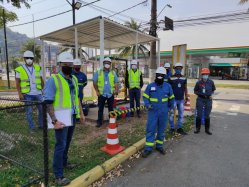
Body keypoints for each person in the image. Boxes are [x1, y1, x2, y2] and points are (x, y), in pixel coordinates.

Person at [44, 52, 85, 186]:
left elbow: (77, 97)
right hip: (60, 119)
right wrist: (54, 121)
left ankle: (64, 162)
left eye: (70, 64)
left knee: (67, 142)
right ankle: (58, 175)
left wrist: (81, 114)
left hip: (71, 116)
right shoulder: (53, 80)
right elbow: (48, 102)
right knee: (60, 145)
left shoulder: (73, 79)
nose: (68, 66)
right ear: (60, 65)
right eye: (65, 64)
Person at [142, 67, 175, 158]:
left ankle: (159, 146)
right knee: (150, 129)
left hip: (164, 112)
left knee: (161, 130)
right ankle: (148, 148)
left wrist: (172, 108)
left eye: (161, 75)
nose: (160, 77)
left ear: (164, 76)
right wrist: (147, 104)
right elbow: (145, 97)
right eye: (158, 75)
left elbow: (171, 98)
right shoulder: (150, 86)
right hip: (153, 111)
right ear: (156, 75)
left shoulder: (168, 86)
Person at [15, 50, 44, 132]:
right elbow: (17, 82)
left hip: (38, 93)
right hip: (27, 94)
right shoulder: (20, 69)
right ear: (24, 59)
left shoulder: (38, 68)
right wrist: (19, 94)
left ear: (33, 59)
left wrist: (43, 90)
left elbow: (41, 80)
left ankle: (41, 125)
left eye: (31, 58)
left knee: (42, 110)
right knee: (29, 112)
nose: (29, 59)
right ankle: (32, 128)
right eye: (27, 58)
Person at [93, 57, 119, 128]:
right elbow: (94, 82)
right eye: (105, 63)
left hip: (110, 94)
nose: (107, 64)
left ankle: (112, 122)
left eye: (108, 63)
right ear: (103, 63)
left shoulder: (113, 73)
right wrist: (97, 91)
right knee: (100, 109)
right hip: (101, 94)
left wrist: (116, 90)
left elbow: (116, 82)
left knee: (111, 109)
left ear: (110, 64)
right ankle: (99, 122)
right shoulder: (98, 72)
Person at [194, 68, 216, 135]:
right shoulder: (198, 83)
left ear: (208, 75)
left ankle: (207, 129)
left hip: (208, 99)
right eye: (204, 74)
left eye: (206, 74)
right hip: (200, 99)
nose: (205, 75)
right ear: (202, 75)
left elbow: (213, 90)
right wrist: (201, 94)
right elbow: (195, 91)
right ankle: (198, 129)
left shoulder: (211, 82)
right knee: (199, 115)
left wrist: (210, 94)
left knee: (207, 115)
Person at [168, 63, 188, 135]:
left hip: (181, 100)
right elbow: (168, 89)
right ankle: (172, 128)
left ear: (181, 69)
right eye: (177, 68)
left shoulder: (184, 78)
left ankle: (179, 128)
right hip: (173, 99)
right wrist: (169, 98)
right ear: (175, 69)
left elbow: (185, 87)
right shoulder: (171, 78)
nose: (178, 70)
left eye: (180, 68)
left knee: (181, 114)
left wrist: (186, 97)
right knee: (171, 114)